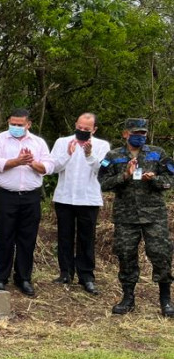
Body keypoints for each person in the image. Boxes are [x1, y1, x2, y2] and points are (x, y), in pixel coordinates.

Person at [98, 118, 174, 317]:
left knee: (161, 254)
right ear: (125, 134)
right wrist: (124, 176)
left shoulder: (158, 153)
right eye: (136, 133)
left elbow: (169, 180)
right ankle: (128, 298)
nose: (140, 136)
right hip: (126, 216)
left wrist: (155, 179)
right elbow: (103, 183)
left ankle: (165, 300)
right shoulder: (113, 156)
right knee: (125, 254)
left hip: (154, 215)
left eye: (142, 133)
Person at [0, 108, 55, 296]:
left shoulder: (38, 143)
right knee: (4, 237)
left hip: (30, 197)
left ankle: (23, 278)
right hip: (5, 196)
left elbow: (48, 166)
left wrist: (32, 163)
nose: (15, 127)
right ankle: (0, 278)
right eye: (12, 124)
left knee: (27, 239)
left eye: (19, 125)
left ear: (28, 124)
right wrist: (16, 161)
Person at [49, 113, 110, 295]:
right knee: (64, 236)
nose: (82, 131)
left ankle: (86, 276)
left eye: (86, 129)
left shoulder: (102, 145)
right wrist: (68, 154)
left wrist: (89, 154)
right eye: (80, 128)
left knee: (86, 237)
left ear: (94, 129)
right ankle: (65, 272)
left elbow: (103, 169)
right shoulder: (62, 142)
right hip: (65, 197)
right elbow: (53, 167)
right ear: (75, 125)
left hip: (88, 198)